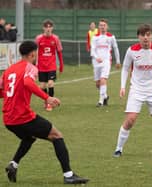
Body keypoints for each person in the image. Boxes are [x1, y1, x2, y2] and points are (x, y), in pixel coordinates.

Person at [0, 41, 89, 184]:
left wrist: (13, 94)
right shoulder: (30, 67)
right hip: (22, 117)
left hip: (8, 120)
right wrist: (47, 98)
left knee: (29, 138)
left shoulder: (9, 70)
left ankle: (13, 164)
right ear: (32, 54)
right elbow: (28, 83)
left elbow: (1, 91)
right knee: (57, 135)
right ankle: (68, 175)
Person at [113, 23, 152, 157]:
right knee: (130, 120)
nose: (145, 38)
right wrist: (123, 87)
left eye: (148, 35)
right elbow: (125, 68)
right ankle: (118, 149)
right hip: (136, 89)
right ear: (138, 37)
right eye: (142, 35)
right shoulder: (132, 51)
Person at [90, 18, 121, 107]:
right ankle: (105, 97)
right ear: (98, 27)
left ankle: (100, 101)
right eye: (100, 25)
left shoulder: (111, 37)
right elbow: (92, 50)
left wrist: (118, 61)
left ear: (107, 27)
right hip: (96, 62)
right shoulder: (95, 37)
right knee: (98, 84)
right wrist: (96, 57)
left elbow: (115, 49)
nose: (102, 27)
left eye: (104, 25)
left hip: (106, 61)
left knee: (103, 80)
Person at [35, 19, 64, 111]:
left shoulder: (55, 38)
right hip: (41, 66)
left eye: (50, 27)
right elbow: (34, 52)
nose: (48, 29)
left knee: (50, 83)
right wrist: (34, 65)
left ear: (52, 28)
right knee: (42, 86)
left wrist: (61, 65)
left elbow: (59, 52)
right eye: (46, 27)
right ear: (43, 28)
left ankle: (50, 104)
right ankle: (46, 101)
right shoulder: (38, 39)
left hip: (51, 65)